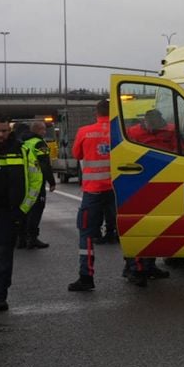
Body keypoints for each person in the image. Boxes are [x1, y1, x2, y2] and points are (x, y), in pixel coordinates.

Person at [69, 99, 166, 291]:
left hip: (93, 191)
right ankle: (136, 269)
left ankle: (86, 276)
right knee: (129, 229)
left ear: (96, 113)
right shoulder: (123, 132)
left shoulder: (84, 132)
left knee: (86, 234)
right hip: (119, 190)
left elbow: (76, 155)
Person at [0, 114, 43, 312]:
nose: (0, 135)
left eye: (4, 131)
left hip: (9, 213)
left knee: (3, 256)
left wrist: (23, 209)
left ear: (10, 130)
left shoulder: (22, 151)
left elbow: (35, 180)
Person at [18, 120, 56, 249]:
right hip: (36, 182)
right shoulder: (39, 143)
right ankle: (32, 238)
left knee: (25, 208)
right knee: (37, 210)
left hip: (24, 181)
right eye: (43, 130)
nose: (45, 132)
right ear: (39, 130)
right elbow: (45, 164)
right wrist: (51, 181)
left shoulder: (23, 141)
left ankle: (21, 238)